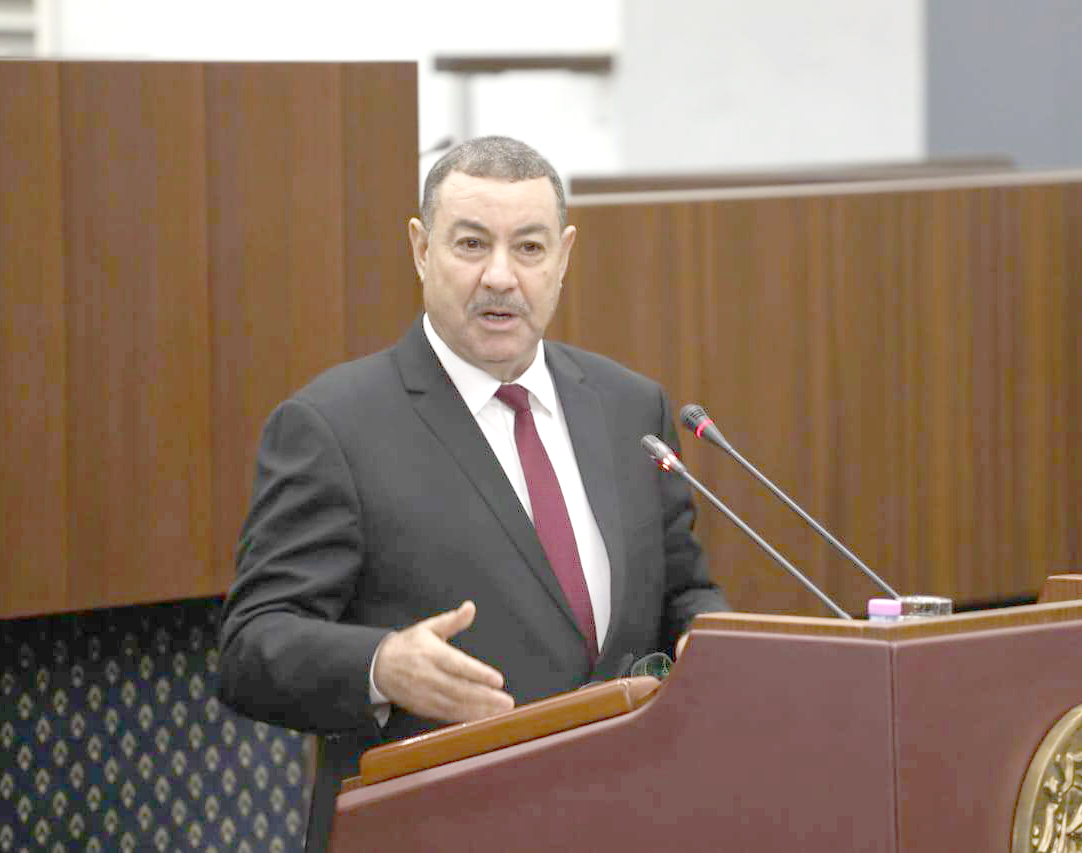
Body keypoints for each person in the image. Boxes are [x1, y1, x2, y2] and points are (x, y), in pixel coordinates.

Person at [217, 136, 728, 852]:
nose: (500, 277)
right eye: (471, 244)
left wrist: (715, 643)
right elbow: (251, 646)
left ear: (563, 257)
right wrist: (380, 665)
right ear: (421, 249)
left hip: (626, 817)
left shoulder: (629, 407)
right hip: (439, 828)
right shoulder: (333, 426)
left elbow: (683, 590)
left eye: (529, 247)